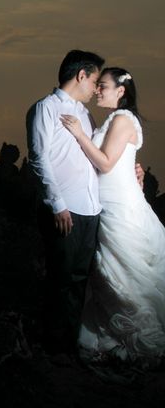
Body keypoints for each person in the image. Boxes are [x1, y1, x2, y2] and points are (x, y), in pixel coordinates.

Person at [60, 68, 165, 366]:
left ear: (121, 91)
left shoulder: (121, 119)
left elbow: (105, 164)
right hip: (108, 203)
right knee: (111, 272)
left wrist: (79, 134)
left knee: (125, 272)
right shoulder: (114, 119)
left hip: (119, 206)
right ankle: (114, 339)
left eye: (103, 86)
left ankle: (141, 340)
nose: (97, 91)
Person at [26, 49, 105, 355]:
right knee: (60, 278)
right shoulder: (45, 108)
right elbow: (38, 157)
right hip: (65, 208)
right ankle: (54, 349)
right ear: (80, 75)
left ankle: (69, 346)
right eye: (95, 80)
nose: (96, 88)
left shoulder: (85, 113)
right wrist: (57, 203)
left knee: (79, 281)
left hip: (89, 207)